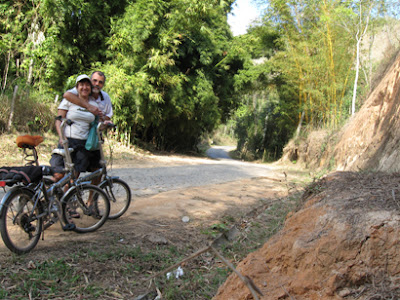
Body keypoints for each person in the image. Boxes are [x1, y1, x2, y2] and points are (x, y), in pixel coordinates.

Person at [50, 74, 102, 215]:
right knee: (59, 174)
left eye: (87, 85)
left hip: (83, 144)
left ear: (90, 88)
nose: (84, 87)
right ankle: (46, 200)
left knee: (74, 176)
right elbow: (59, 119)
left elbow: (98, 122)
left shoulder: (94, 104)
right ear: (77, 87)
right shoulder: (69, 100)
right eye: (81, 85)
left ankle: (66, 206)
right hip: (67, 141)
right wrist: (62, 137)